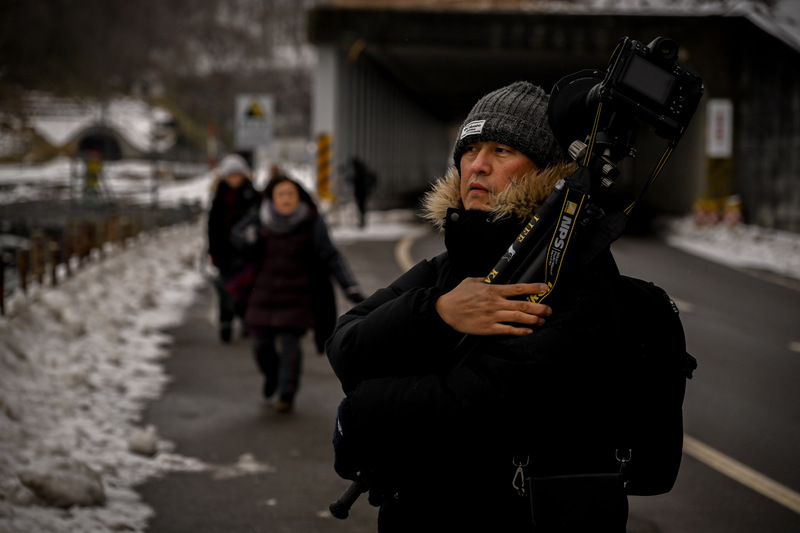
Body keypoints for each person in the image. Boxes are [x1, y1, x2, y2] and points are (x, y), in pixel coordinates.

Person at [326, 82, 634, 531]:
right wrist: (438, 312)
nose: (479, 166)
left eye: (502, 150)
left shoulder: (578, 280)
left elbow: (482, 404)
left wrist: (361, 408)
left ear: (548, 170)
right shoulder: (448, 267)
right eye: (470, 150)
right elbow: (345, 342)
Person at [232, 169, 365, 414]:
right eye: (280, 193)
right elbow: (236, 237)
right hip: (263, 294)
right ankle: (272, 376)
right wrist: (247, 238)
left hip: (298, 296)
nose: (286, 198)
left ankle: (286, 394)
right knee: (260, 345)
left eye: (290, 193)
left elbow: (330, 256)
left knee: (290, 345)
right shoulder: (259, 218)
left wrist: (350, 286)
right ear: (271, 198)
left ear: (299, 197)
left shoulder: (311, 221)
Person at [207, 153, 259, 343]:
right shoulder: (219, 198)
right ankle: (226, 323)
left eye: (238, 175)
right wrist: (213, 252)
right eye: (231, 175)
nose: (235, 179)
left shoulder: (252, 196)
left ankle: (245, 319)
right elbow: (212, 227)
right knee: (225, 289)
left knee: (247, 289)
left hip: (247, 252)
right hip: (224, 252)